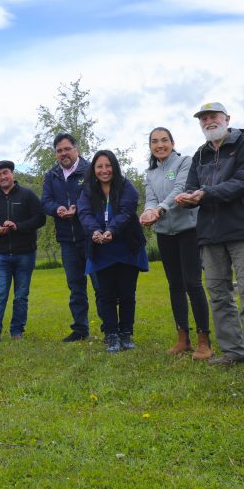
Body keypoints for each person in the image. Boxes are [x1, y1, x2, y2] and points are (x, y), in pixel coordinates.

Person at [175, 103, 244, 377]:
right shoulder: (200, 154)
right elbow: (191, 187)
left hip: (243, 230)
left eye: (213, 116)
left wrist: (204, 194)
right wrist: (186, 198)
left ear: (227, 119)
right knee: (218, 295)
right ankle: (233, 350)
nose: (208, 121)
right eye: (203, 118)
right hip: (210, 233)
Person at [140, 127, 213, 359]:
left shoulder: (185, 162)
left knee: (193, 283)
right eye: (154, 142)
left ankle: (204, 340)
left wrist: (160, 209)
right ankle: (183, 338)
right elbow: (150, 198)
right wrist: (148, 212)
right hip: (164, 233)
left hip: (188, 230)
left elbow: (181, 189)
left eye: (164, 140)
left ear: (172, 142)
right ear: (150, 146)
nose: (159, 145)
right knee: (174, 285)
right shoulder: (150, 172)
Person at [77, 150, 149, 353]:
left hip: (126, 247)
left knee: (127, 294)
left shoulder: (127, 187)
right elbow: (84, 213)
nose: (104, 170)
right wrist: (95, 231)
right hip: (101, 249)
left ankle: (126, 333)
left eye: (108, 165)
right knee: (105, 294)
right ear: (94, 169)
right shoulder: (88, 191)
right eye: (99, 166)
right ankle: (111, 335)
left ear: (114, 167)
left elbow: (127, 212)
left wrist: (111, 231)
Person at [41, 133, 97, 343]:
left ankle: (109, 328)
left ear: (77, 149)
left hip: (91, 237)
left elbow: (98, 197)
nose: (63, 153)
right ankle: (81, 330)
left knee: (100, 285)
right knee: (75, 287)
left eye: (67, 149)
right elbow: (45, 202)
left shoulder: (90, 170)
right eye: (59, 150)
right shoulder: (52, 175)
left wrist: (79, 209)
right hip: (67, 239)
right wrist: (58, 209)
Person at [0, 160, 46, 342]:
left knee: (21, 296)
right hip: (1, 255)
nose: (3, 177)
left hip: (25, 253)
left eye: (5, 172)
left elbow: (40, 219)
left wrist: (18, 226)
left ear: (13, 174)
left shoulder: (27, 195)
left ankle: (17, 331)